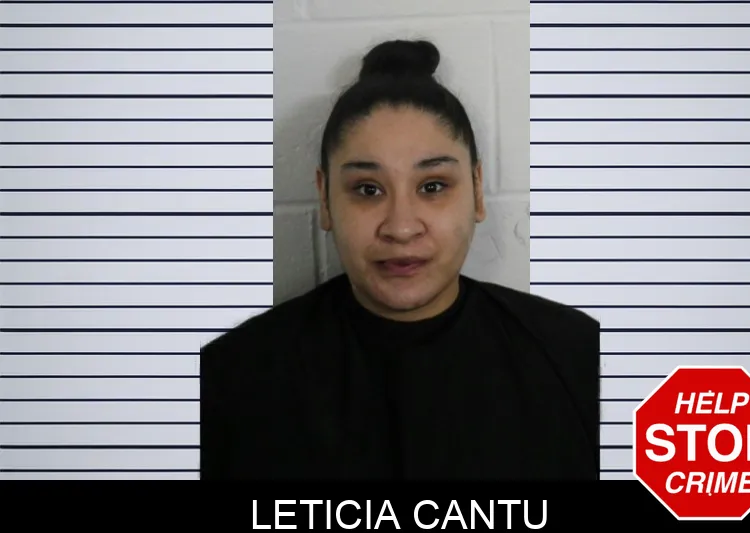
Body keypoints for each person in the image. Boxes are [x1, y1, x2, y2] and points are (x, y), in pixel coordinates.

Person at [200, 39, 600, 480]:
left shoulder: (577, 355)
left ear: (477, 189)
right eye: (368, 189)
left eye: (433, 186)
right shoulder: (232, 378)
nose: (402, 227)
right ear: (325, 199)